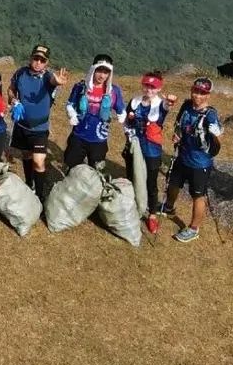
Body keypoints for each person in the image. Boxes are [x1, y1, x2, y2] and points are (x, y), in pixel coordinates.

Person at [164, 77, 222, 244]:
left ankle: (194, 228)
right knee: (173, 183)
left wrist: (216, 137)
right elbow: (178, 124)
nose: (197, 95)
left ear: (208, 95)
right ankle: (168, 207)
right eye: (195, 91)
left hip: (200, 162)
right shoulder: (186, 106)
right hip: (183, 155)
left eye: (202, 93)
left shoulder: (210, 115)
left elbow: (219, 139)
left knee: (198, 196)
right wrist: (177, 134)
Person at [8, 44, 68, 197]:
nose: (38, 62)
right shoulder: (20, 73)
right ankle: (30, 185)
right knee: (27, 156)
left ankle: (40, 196)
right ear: (31, 58)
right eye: (36, 58)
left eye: (42, 60)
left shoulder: (47, 77)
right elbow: (11, 89)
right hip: (22, 125)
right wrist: (14, 100)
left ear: (46, 63)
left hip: (39, 128)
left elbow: (54, 81)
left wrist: (58, 81)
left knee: (39, 161)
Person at [123, 72, 178, 234]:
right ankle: (132, 206)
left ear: (159, 88)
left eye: (153, 87)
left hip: (152, 148)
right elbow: (126, 121)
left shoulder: (160, 104)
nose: (149, 89)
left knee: (151, 182)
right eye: (147, 85)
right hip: (134, 145)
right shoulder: (135, 101)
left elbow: (167, 107)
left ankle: (152, 214)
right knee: (132, 175)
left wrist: (170, 102)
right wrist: (130, 124)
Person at [64, 54, 126, 169]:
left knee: (97, 173)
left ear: (110, 74)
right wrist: (72, 115)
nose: (102, 75)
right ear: (93, 69)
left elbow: (121, 109)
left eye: (106, 72)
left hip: (99, 139)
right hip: (79, 135)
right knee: (72, 168)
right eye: (99, 71)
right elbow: (70, 104)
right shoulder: (80, 87)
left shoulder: (113, 91)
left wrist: (122, 115)